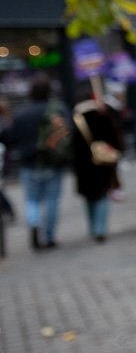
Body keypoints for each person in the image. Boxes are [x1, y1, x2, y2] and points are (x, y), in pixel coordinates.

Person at [4, 75, 70, 249]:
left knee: (31, 199)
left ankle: (34, 222)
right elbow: (69, 132)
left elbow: (11, 138)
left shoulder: (21, 114)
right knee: (52, 200)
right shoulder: (58, 109)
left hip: (29, 164)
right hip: (52, 162)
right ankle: (48, 236)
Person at [71, 96, 125, 242]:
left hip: (83, 167)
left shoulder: (76, 120)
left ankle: (93, 227)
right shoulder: (103, 117)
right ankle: (100, 229)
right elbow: (116, 141)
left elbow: (72, 148)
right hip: (102, 164)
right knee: (102, 196)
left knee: (89, 198)